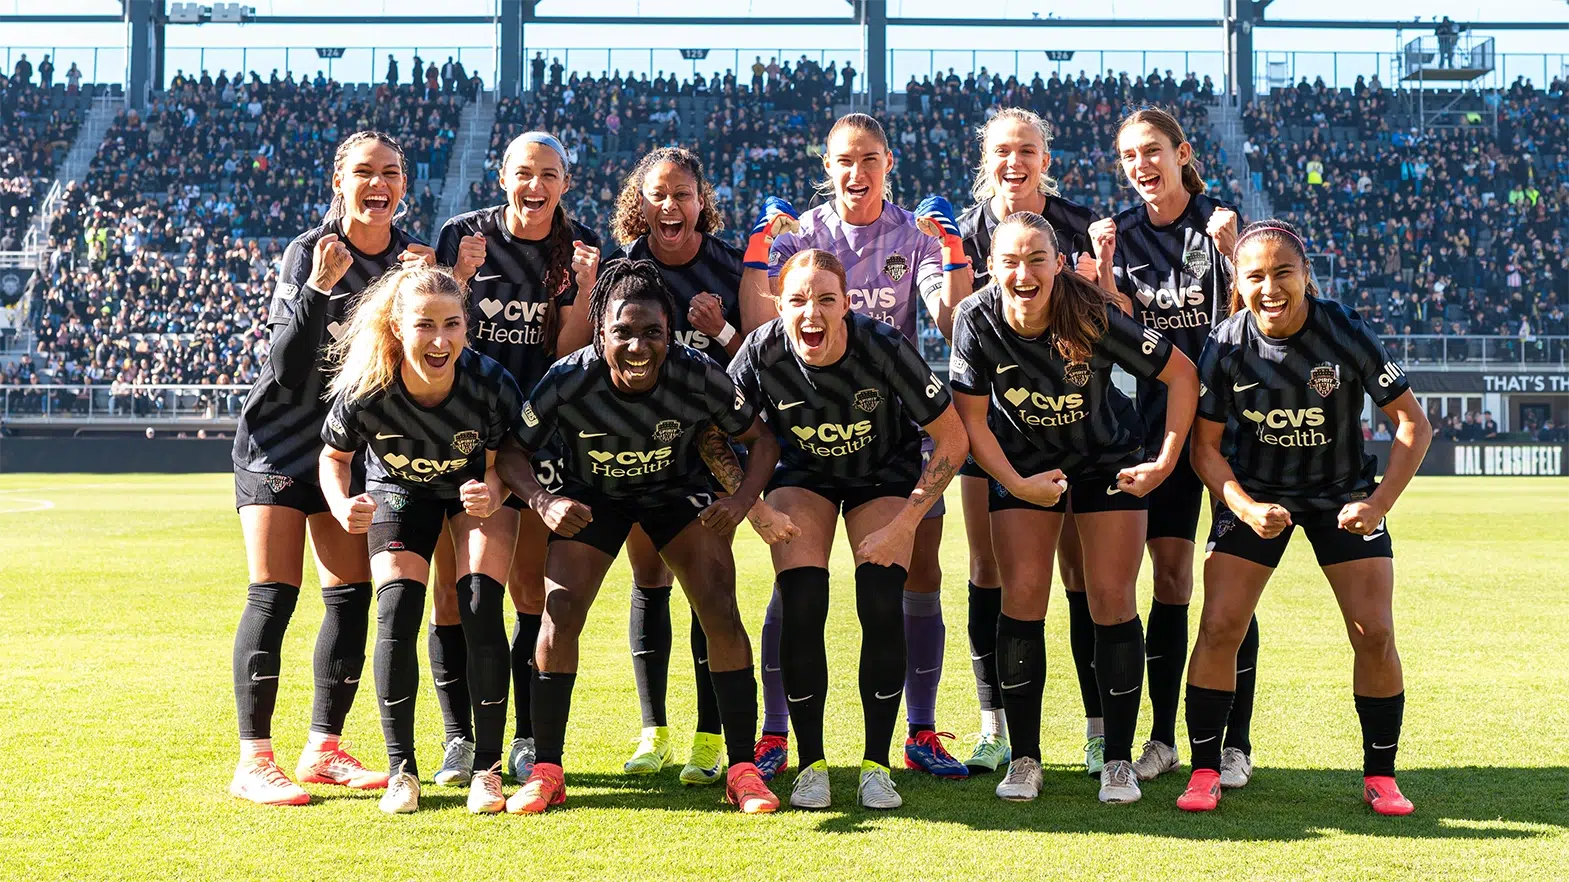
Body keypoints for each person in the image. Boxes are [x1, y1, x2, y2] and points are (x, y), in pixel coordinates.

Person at [496, 259, 785, 816]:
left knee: (720, 610)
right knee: (558, 614)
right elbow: (513, 450)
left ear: (669, 332)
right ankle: (548, 771)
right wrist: (543, 500)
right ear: (601, 332)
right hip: (594, 497)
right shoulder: (569, 379)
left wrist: (743, 501)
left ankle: (743, 770)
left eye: (652, 332)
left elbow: (761, 437)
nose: (637, 346)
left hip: (675, 494)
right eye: (622, 333)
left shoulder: (697, 373)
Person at [738, 112, 973, 782]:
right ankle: (776, 732)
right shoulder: (801, 236)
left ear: (888, 163)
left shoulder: (913, 234)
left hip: (893, 438)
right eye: (844, 160)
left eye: (869, 159)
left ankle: (919, 732)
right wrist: (758, 249)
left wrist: (953, 255)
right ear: (826, 167)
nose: (856, 172)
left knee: (912, 580)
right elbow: (761, 331)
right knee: (796, 586)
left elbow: (950, 321)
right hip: (806, 438)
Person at [1177, 219, 1430, 815]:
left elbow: (1413, 425)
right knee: (1218, 629)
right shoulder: (1226, 343)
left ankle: (1381, 776)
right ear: (1237, 283)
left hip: (1341, 494)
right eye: (1255, 275)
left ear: (1305, 276)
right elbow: (1204, 450)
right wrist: (1243, 505)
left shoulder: (1343, 331)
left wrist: (1377, 504)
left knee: (1376, 633)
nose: (1270, 286)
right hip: (1257, 495)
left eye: (1282, 272)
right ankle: (1206, 770)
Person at [949, 210, 1198, 805]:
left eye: (1038, 258)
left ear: (1060, 265)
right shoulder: (973, 318)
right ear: (992, 266)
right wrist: (1017, 482)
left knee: (1111, 601)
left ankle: (1116, 760)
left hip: (1105, 458)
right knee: (1023, 596)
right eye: (1010, 260)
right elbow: (973, 421)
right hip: (1023, 462)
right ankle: (1027, 759)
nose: (1024, 271)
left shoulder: (1089, 313)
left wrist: (1162, 464)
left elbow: (1183, 375)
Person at [228, 130, 430, 806]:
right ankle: (254, 760)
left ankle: (324, 748)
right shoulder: (311, 252)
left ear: (404, 184)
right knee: (274, 593)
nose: (379, 183)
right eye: (365, 172)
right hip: (279, 443)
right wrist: (319, 285)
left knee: (348, 596)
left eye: (392, 172)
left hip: (348, 450)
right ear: (338, 182)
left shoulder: (408, 261)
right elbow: (286, 371)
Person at [1087, 106, 1257, 787]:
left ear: (1181, 152)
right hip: (1156, 426)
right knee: (1168, 582)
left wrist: (1233, 249)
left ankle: (1233, 742)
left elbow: (1256, 327)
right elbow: (1117, 331)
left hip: (1226, 430)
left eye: (1151, 151)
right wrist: (1100, 269)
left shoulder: (1221, 224)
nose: (1140, 166)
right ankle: (1161, 736)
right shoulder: (1121, 236)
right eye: (1129, 156)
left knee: (1229, 589)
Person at [319, 265, 523, 815]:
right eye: (425, 325)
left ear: (466, 325)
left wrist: (496, 492)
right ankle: (401, 771)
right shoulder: (368, 387)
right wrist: (342, 503)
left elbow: (511, 458)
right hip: (399, 493)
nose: (439, 340)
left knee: (480, 606)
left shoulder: (490, 382)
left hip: (470, 493)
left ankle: (487, 769)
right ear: (396, 326)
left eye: (452, 324)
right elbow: (334, 457)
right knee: (398, 610)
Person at [432, 131, 601, 788]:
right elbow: (437, 328)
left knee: (530, 590)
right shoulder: (462, 234)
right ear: (501, 176)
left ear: (564, 181)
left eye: (549, 175)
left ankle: (527, 734)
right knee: (456, 594)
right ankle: (456, 737)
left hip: (537, 439)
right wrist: (461, 277)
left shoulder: (580, 245)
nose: (536, 186)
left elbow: (567, 351)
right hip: (461, 433)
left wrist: (585, 290)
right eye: (524, 173)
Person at [955, 106, 1106, 775]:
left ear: (1046, 158)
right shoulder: (960, 233)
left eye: (1025, 150)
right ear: (986, 161)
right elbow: (950, 323)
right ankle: (993, 726)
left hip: (1073, 427)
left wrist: (1101, 282)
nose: (1013, 162)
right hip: (990, 424)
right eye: (1001, 151)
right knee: (990, 573)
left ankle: (1099, 726)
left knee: (1080, 577)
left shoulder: (1080, 227)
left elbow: (1116, 322)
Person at [609, 146, 750, 783]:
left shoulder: (730, 265)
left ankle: (707, 737)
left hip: (713, 453)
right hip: (644, 447)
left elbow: (765, 356)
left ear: (701, 201)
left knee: (707, 589)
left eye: (683, 194)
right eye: (658, 194)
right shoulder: (619, 274)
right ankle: (653, 729)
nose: (671, 205)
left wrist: (720, 332)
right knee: (648, 579)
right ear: (640, 203)